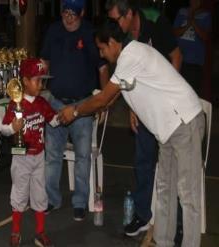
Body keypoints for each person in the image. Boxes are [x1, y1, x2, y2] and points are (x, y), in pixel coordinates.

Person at [59, 18, 204, 247]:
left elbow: (104, 99)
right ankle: (163, 242)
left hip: (184, 121)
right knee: (165, 190)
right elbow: (114, 96)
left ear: (114, 42)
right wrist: (133, 108)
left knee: (188, 196)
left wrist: (75, 111)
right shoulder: (129, 58)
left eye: (102, 48)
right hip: (166, 130)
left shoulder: (131, 55)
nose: (102, 53)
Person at [106, 0, 182, 236]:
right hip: (145, 108)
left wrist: (165, 94)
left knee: (172, 168)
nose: (115, 26)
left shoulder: (156, 23)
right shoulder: (126, 38)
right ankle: (142, 215)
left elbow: (177, 57)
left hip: (168, 107)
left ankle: (177, 224)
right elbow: (130, 78)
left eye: (116, 19)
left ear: (129, 14)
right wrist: (133, 109)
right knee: (142, 161)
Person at [40, 0, 109, 221]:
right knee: (51, 154)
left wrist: (103, 100)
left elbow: (103, 68)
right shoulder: (53, 30)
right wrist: (39, 92)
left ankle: (80, 202)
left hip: (83, 104)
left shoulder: (90, 33)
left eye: (73, 14)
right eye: (65, 13)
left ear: (82, 13)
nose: (68, 18)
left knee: (82, 156)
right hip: (56, 102)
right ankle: (52, 199)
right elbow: (44, 62)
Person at [1, 58, 59, 247]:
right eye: (37, 80)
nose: (41, 85)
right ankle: (16, 232)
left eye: (42, 81)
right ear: (25, 80)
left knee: (40, 193)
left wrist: (72, 113)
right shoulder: (15, 103)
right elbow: (3, 129)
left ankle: (40, 232)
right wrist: (12, 126)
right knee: (19, 193)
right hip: (21, 157)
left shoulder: (42, 103)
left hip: (39, 156)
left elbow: (54, 120)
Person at [173, 0, 211, 95]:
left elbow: (205, 37)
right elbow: (175, 32)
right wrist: (188, 23)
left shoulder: (206, 15)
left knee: (191, 94)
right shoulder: (182, 11)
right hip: (178, 59)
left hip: (194, 63)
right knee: (176, 91)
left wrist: (192, 19)